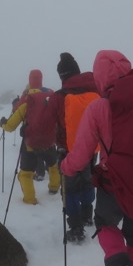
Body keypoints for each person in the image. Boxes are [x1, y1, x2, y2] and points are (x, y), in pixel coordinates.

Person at [61, 50, 133, 266]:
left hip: (114, 179)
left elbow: (81, 154)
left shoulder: (99, 107)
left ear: (100, 77)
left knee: (105, 223)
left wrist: (66, 168)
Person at [49, 52, 99, 242]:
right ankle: (87, 215)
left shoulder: (59, 97)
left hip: (67, 150)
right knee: (87, 180)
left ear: (62, 76)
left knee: (69, 189)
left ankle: (76, 227)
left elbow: (48, 122)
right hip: (91, 149)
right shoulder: (96, 90)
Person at [0, 69, 61, 204]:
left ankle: (30, 199)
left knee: (26, 174)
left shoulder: (26, 99)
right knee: (53, 166)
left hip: (30, 144)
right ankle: (54, 188)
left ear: (29, 79)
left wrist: (3, 124)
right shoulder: (50, 96)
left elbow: (10, 126)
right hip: (50, 141)